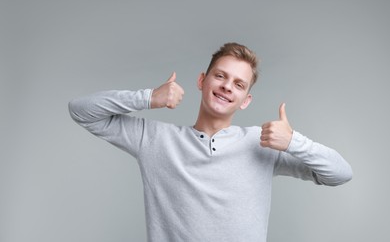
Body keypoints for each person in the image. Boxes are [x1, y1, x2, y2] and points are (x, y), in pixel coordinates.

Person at [68, 42, 352, 242]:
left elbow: (340, 174)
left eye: (239, 84)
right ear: (202, 81)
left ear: (245, 101)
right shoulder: (155, 139)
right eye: (220, 76)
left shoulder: (260, 143)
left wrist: (293, 142)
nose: (228, 86)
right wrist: (148, 97)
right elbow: (81, 110)